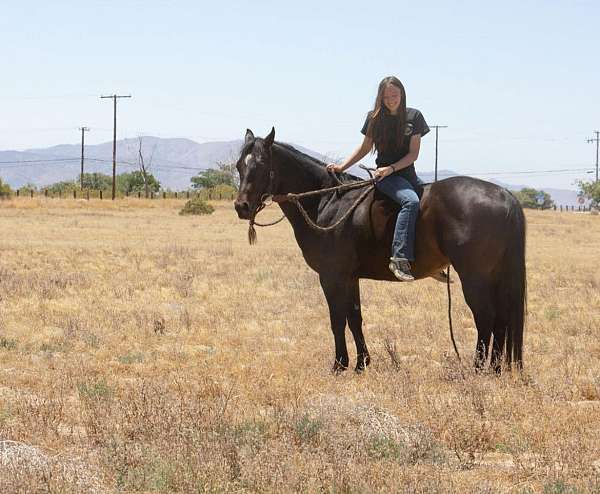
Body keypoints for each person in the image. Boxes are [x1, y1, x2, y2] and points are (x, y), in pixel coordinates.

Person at [327, 76, 429, 282]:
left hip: (407, 174)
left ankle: (429, 258)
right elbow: (365, 148)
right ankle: (400, 257)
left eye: (395, 95)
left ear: (402, 94)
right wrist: (341, 167)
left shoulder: (414, 116)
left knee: (432, 205)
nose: (391, 99)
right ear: (381, 98)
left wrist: (393, 168)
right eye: (387, 96)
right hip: (385, 177)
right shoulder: (374, 118)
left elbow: (413, 155)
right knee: (411, 202)